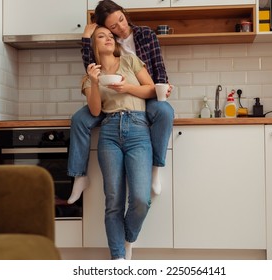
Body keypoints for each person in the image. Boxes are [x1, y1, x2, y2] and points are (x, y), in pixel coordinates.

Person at [67, 0, 174, 204]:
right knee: (79, 119)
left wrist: (162, 88)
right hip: (109, 97)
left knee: (165, 112)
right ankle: (79, 175)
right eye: (113, 27)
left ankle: (155, 169)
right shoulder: (108, 40)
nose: (121, 28)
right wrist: (86, 37)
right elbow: (91, 65)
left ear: (125, 14)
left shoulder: (145, 35)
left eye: (122, 20)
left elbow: (158, 66)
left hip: (140, 94)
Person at [83, 25, 154, 260]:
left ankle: (126, 238)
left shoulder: (130, 61)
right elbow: (94, 111)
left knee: (141, 199)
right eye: (101, 36)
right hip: (110, 131)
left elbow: (152, 89)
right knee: (113, 200)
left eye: (110, 36)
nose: (108, 39)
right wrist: (94, 82)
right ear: (94, 44)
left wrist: (128, 88)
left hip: (138, 129)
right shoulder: (90, 74)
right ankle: (118, 260)